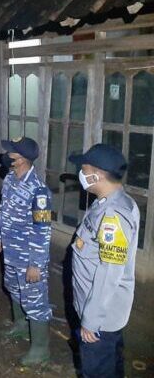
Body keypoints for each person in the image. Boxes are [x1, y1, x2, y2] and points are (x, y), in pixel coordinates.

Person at [68, 144, 139, 378]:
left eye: (84, 169)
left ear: (96, 174)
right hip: (101, 310)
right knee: (110, 367)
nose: (81, 173)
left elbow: (109, 272)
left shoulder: (113, 215)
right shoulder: (110, 202)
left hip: (100, 317)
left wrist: (91, 320)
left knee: (97, 370)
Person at [0, 136, 52, 365]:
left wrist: (35, 264)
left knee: (35, 301)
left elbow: (42, 231)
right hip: (12, 253)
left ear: (22, 159)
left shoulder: (39, 191)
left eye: (11, 153)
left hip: (28, 258)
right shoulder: (9, 179)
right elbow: (3, 211)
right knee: (14, 290)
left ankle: (40, 350)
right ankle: (21, 326)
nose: (7, 155)